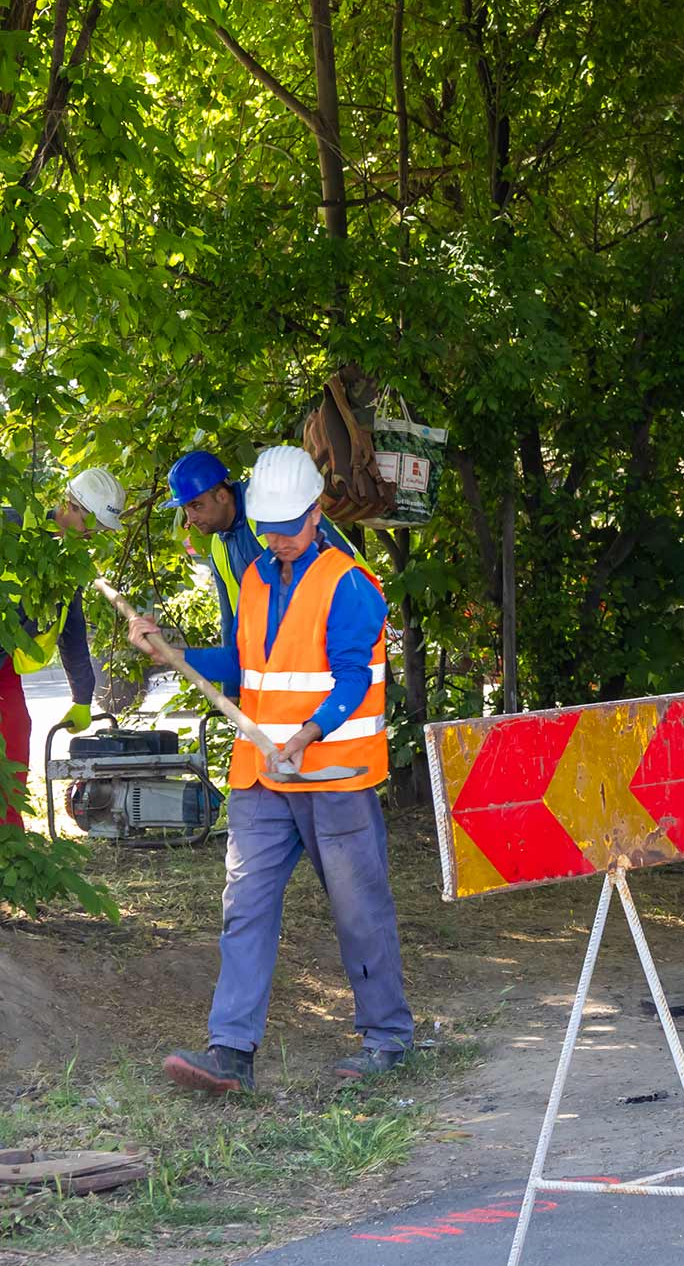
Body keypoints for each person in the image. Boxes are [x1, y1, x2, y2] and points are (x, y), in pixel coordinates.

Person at [128, 446, 412, 1094]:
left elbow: (350, 679)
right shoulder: (254, 576)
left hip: (333, 777)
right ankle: (230, 1052)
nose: (279, 538)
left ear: (317, 512)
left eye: (290, 524)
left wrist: (309, 733)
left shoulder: (351, 585)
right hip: (260, 776)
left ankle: (388, 1038)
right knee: (245, 907)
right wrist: (175, 652)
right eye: (270, 526)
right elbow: (241, 660)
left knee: (358, 910)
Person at [2, 469, 124, 827]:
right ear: (71, 504)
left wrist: (82, 697)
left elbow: (72, 631)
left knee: (15, 732)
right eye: (93, 523)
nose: (94, 533)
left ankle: (9, 840)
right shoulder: (11, 525)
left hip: (4, 664)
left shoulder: (69, 562)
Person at [162, 449, 364, 639]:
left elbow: (340, 568)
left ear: (222, 496)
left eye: (196, 505)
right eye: (186, 508)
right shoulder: (218, 546)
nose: (191, 518)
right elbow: (232, 626)